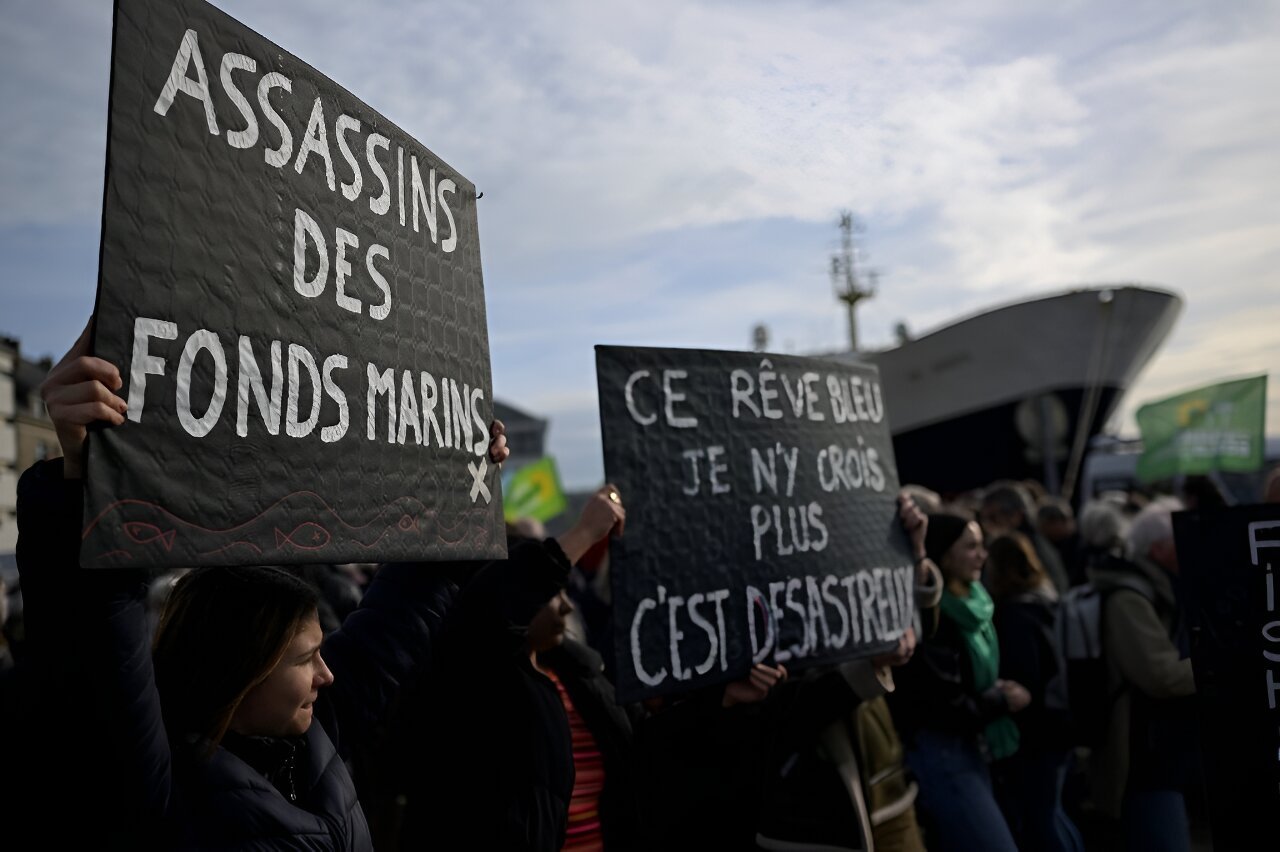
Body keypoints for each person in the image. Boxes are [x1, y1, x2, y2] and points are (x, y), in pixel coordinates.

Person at [14, 321, 510, 849]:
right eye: (305, 659)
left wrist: (464, 490)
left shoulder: (317, 736)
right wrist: (80, 480)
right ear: (241, 670)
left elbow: (399, 618)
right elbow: (95, 629)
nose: (328, 675)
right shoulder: (161, 790)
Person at [888, 512, 1028, 852]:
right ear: (944, 552)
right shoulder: (934, 620)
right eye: (971, 547)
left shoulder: (975, 602)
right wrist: (1001, 699)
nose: (982, 555)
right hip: (944, 751)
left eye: (982, 546)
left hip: (972, 743)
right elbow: (941, 702)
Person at [1088, 497, 1198, 852]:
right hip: (1144, 759)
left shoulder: (1162, 588)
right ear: (1161, 549)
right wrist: (1220, 667)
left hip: (1165, 750)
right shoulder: (1129, 597)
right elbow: (1159, 675)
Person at [987, 533, 1083, 852]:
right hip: (1059, 723)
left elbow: (1024, 677)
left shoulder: (1014, 615)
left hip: (1037, 732)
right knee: (1053, 814)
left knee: (1042, 819)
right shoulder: (1046, 601)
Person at [979, 482, 1071, 595]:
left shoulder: (1027, 549)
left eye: (993, 518)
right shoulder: (1035, 543)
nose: (987, 526)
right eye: (984, 519)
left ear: (1016, 515)